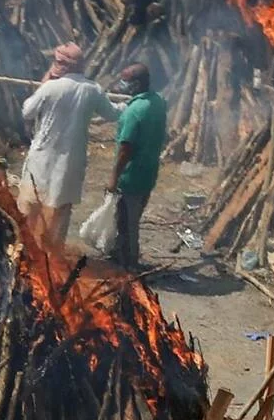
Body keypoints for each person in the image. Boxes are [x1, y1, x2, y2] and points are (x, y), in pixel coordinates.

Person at [21, 43, 117, 246]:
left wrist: (46, 82)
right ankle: (52, 256)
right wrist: (132, 106)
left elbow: (27, 111)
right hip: (70, 161)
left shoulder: (51, 87)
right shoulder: (93, 90)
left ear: (62, 64)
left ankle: (28, 252)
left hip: (43, 158)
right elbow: (112, 113)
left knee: (32, 206)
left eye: (56, 62)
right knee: (60, 208)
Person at [106, 63, 167, 268]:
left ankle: (129, 265)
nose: (123, 85)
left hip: (131, 176)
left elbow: (126, 148)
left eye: (126, 81)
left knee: (127, 222)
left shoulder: (134, 111)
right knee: (132, 217)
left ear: (137, 84)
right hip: (149, 172)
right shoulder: (158, 102)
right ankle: (119, 255)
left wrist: (114, 177)